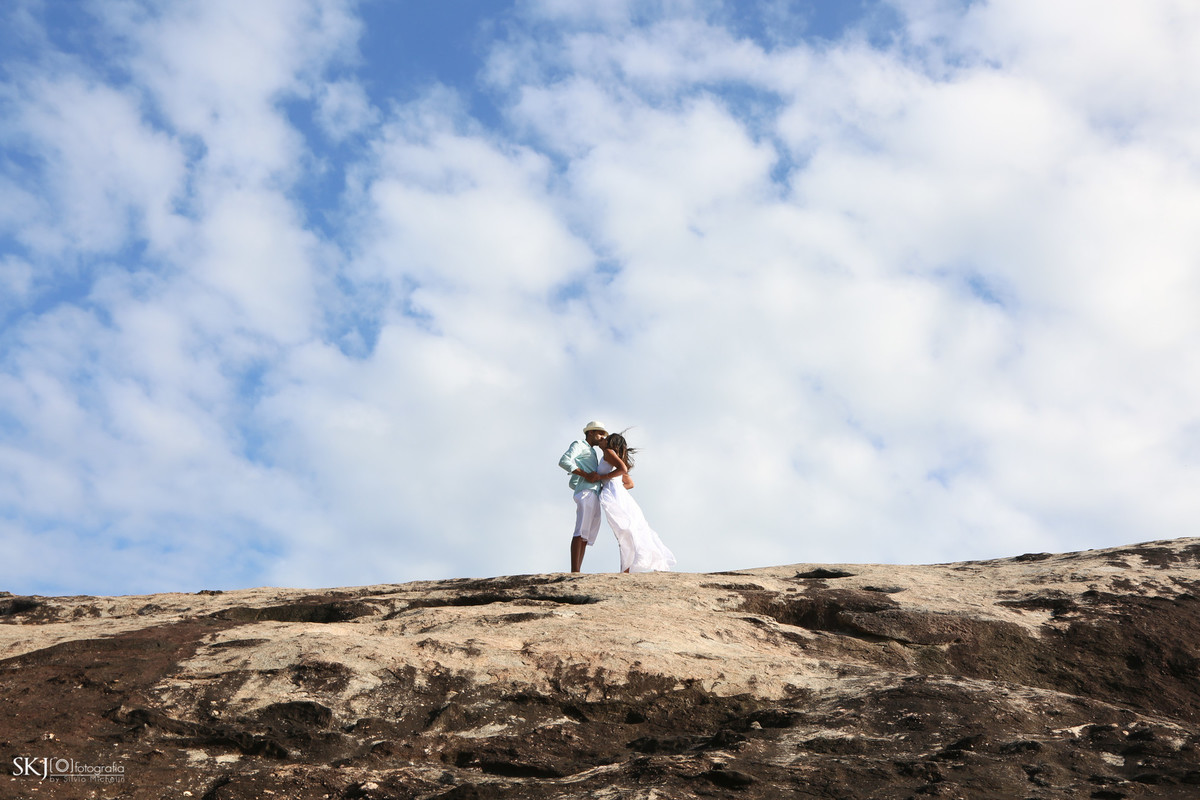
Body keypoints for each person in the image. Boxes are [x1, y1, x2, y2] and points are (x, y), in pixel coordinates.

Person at [594, 432, 676, 573]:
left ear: (609, 444)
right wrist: (614, 485)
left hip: (615, 497)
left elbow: (623, 469)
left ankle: (626, 569)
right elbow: (630, 483)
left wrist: (603, 477)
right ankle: (627, 568)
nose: (602, 440)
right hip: (619, 495)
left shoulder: (608, 452)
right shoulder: (612, 456)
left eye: (605, 439)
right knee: (626, 531)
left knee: (623, 531)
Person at [558, 421, 608, 572]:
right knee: (580, 531)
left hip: (592, 492)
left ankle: (578, 570)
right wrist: (585, 476)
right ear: (590, 433)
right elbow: (564, 461)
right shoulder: (580, 444)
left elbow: (573, 482)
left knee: (585, 535)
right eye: (599, 433)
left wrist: (582, 479)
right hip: (587, 492)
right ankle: (575, 571)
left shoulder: (592, 452)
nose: (601, 437)